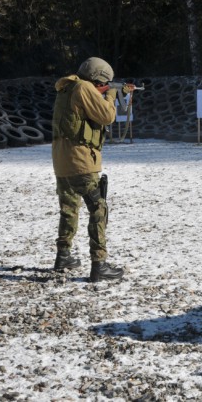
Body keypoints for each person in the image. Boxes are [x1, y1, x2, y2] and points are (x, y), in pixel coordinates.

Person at [52, 57, 128, 283]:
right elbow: (107, 116)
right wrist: (112, 94)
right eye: (105, 83)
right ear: (99, 78)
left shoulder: (67, 87)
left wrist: (113, 91)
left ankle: (63, 256)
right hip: (81, 161)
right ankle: (99, 265)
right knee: (98, 209)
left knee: (69, 209)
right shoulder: (84, 88)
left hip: (62, 160)